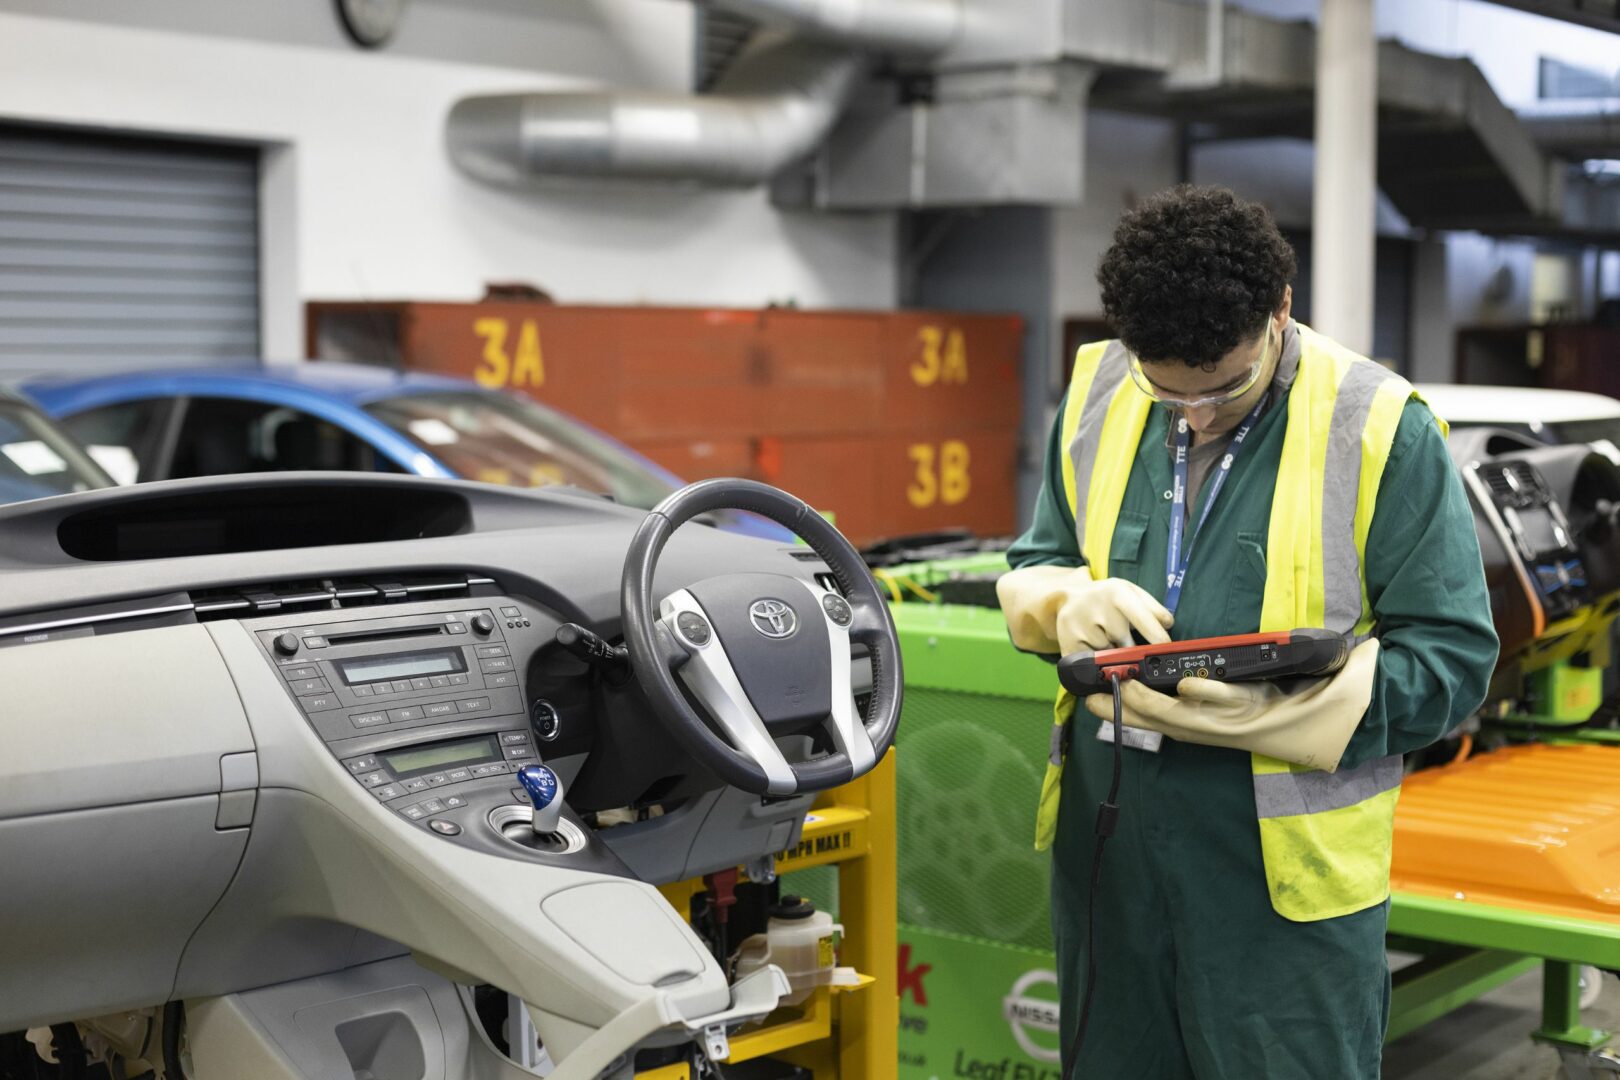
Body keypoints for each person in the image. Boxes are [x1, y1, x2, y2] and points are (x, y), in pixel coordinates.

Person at [996, 185, 1498, 1079]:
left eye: (1226, 388)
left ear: (1282, 314)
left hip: (1281, 884)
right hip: (1112, 851)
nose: (1194, 415)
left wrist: (1290, 713)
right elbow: (1040, 553)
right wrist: (1062, 604)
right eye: (1169, 391)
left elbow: (1454, 660)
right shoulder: (1102, 386)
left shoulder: (1381, 427)